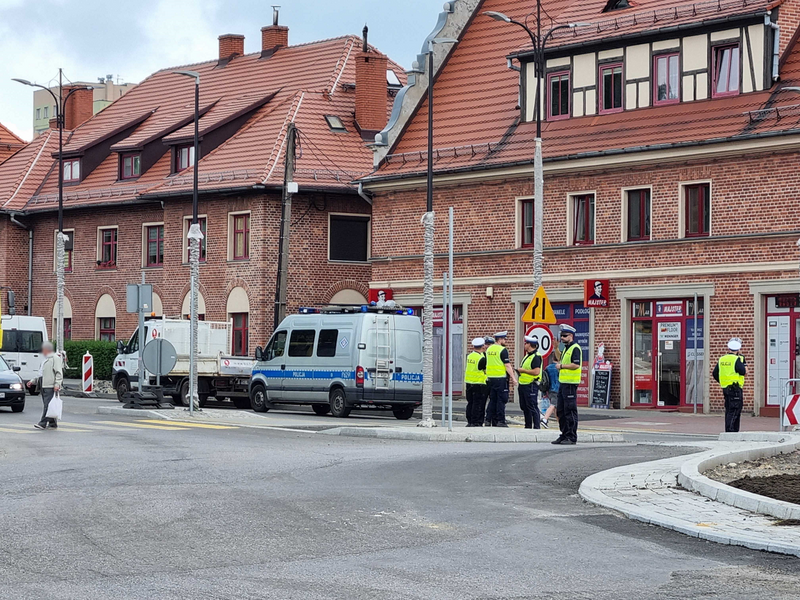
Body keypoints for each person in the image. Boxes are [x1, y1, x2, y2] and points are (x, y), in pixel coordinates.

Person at [553, 324, 581, 445]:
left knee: (569, 411)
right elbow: (561, 359)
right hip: (563, 383)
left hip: (570, 383)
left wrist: (562, 366)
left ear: (571, 336)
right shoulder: (566, 348)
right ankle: (564, 434)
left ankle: (571, 436)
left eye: (565, 336)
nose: (562, 338)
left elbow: (576, 365)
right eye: (561, 336)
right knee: (561, 410)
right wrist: (556, 349)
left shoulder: (575, 348)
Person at [713, 338, 747, 433]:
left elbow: (715, 373)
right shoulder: (736, 359)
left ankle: (729, 430)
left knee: (729, 410)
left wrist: (723, 381)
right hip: (735, 388)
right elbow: (743, 372)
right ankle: (731, 432)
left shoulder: (722, 359)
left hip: (726, 388)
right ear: (738, 349)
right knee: (735, 410)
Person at [484, 331, 517, 427]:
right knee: (501, 400)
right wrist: (513, 378)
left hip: (490, 378)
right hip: (500, 379)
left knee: (492, 400)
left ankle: (488, 419)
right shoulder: (502, 350)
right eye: (504, 339)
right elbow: (507, 365)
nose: (505, 340)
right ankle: (500, 421)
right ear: (500, 339)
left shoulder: (489, 349)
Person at [28, 341, 63, 430]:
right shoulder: (45, 359)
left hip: (50, 385)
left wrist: (57, 384)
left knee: (47, 405)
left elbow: (59, 372)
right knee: (48, 404)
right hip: (42, 384)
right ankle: (52, 423)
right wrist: (32, 381)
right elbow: (40, 373)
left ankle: (42, 423)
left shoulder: (55, 358)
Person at [516, 335, 542, 429]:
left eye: (526, 343)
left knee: (532, 406)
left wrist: (523, 371)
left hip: (531, 385)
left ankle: (536, 427)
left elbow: (536, 372)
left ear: (530, 345)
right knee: (524, 407)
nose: (524, 345)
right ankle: (528, 426)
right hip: (523, 384)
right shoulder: (527, 356)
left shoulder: (536, 357)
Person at [464, 337, 488, 427]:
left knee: (470, 403)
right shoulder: (481, 358)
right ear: (482, 346)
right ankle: (476, 421)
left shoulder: (469, 356)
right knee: (478, 404)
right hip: (479, 383)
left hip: (469, 383)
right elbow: (485, 370)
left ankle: (470, 421)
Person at [541, 353, 560, 429]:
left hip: (550, 389)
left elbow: (545, 379)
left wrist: (544, 391)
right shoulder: (559, 368)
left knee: (556, 408)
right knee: (553, 405)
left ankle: (560, 424)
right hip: (557, 389)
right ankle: (545, 419)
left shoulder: (548, 367)